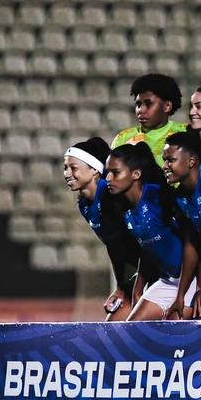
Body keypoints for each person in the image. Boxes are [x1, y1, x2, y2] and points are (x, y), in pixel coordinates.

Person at [105, 142, 197, 321]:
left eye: (115, 173)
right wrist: (138, 288)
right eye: (107, 172)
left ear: (136, 174)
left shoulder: (158, 198)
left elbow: (192, 242)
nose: (108, 178)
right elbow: (149, 250)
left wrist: (182, 295)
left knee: (173, 327)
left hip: (190, 280)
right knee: (132, 329)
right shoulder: (125, 210)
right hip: (167, 281)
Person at [63, 137, 143, 321]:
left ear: (93, 170)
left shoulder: (110, 195)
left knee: (135, 328)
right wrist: (122, 286)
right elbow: (114, 246)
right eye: (65, 168)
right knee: (114, 329)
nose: (67, 173)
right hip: (132, 271)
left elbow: (133, 244)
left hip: (150, 269)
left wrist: (130, 286)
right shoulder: (85, 204)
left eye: (73, 168)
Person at [162, 131, 201, 320]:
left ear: (191, 161)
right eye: (164, 160)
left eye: (170, 160)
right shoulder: (180, 197)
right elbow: (194, 244)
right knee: (174, 317)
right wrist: (185, 294)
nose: (165, 166)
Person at [112, 73, 186, 166]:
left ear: (167, 106)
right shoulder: (123, 138)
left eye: (148, 104)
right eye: (138, 104)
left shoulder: (186, 133)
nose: (141, 110)